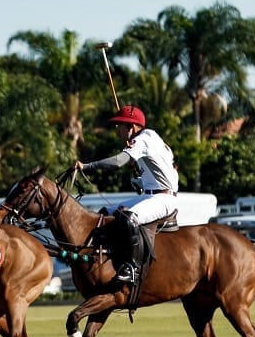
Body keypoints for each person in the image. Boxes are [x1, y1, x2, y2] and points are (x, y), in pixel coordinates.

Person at [76, 105, 179, 285]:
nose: (117, 131)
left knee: (129, 218)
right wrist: (139, 181)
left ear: (131, 127)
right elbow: (164, 172)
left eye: (120, 126)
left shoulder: (143, 139)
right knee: (105, 212)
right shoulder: (150, 139)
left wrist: (86, 166)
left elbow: (117, 162)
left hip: (163, 199)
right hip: (151, 194)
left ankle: (132, 268)